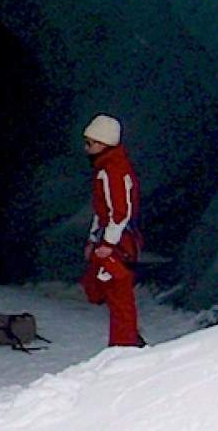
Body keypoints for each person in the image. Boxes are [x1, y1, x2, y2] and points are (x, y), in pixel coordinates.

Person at [80, 113, 145, 347]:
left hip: (119, 243)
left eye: (90, 143)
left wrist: (108, 244)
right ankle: (126, 340)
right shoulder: (106, 168)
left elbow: (120, 211)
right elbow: (102, 211)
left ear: (103, 144)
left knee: (119, 293)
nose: (86, 149)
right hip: (111, 240)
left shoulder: (112, 170)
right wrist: (93, 240)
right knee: (100, 288)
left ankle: (124, 345)